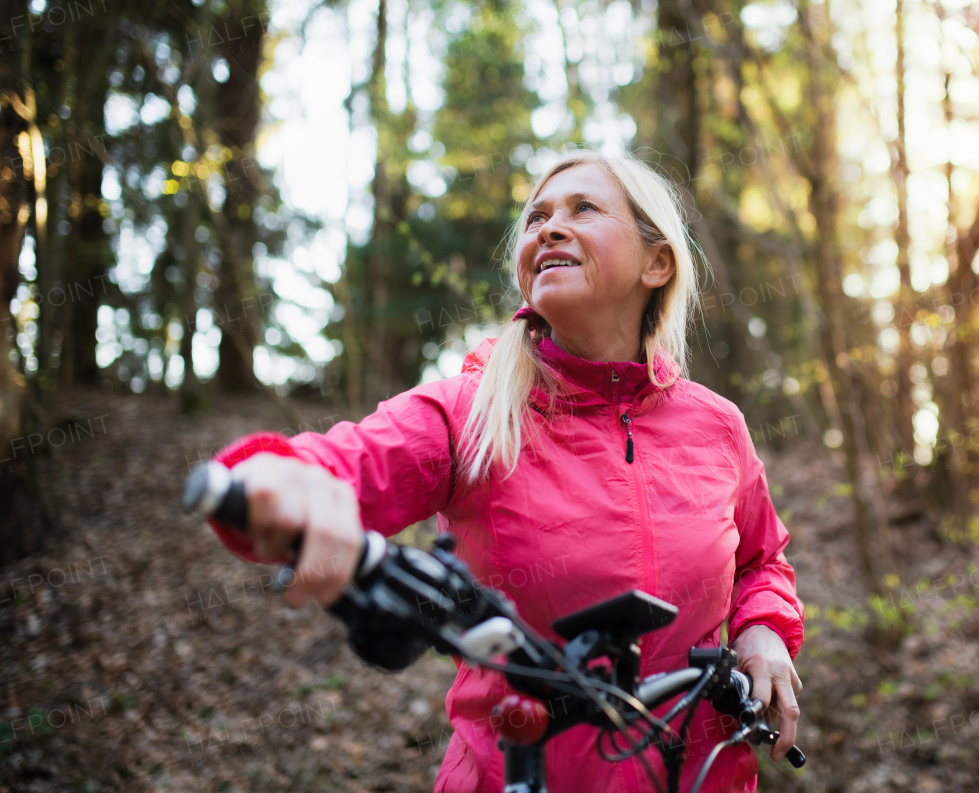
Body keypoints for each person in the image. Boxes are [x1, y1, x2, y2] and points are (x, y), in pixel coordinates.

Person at [203, 148, 804, 793]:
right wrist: (277, 481)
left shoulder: (716, 426)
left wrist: (762, 630)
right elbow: (349, 461)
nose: (548, 227)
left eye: (584, 209)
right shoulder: (472, 410)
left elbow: (761, 562)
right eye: (536, 217)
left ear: (657, 263)